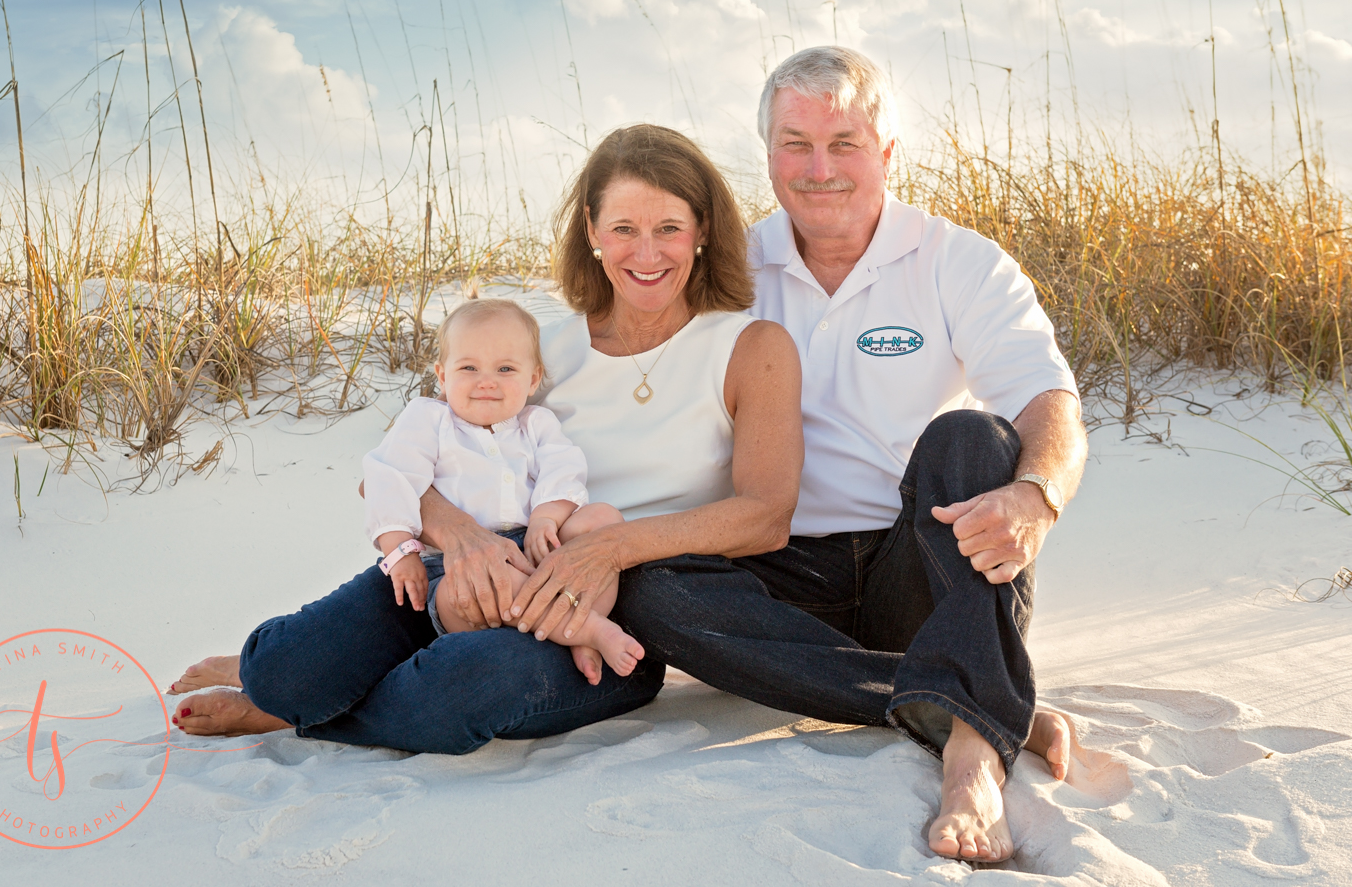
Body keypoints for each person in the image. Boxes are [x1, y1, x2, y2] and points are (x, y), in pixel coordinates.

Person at [529, 46, 1078, 864]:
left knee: (976, 440)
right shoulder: (725, 272)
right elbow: (612, 359)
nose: (819, 169)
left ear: (887, 153)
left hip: (919, 561)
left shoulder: (956, 260)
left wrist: (1038, 493)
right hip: (769, 573)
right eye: (796, 144)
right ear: (769, 156)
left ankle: (971, 749)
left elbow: (1049, 399)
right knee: (649, 580)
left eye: (844, 143)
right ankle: (973, 696)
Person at [167, 124, 803, 757]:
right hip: (472, 566)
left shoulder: (749, 346)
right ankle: (286, 689)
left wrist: (607, 551)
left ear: (704, 229)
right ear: (591, 231)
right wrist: (462, 538)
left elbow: (766, 516)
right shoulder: (534, 351)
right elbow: (389, 472)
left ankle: (287, 717)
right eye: (623, 229)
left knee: (460, 686)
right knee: (283, 669)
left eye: (669, 227)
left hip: (610, 619)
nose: (647, 253)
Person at [363, 298, 643, 680]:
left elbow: (564, 468)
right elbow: (389, 476)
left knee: (604, 518)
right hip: (456, 571)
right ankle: (590, 630)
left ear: (532, 379)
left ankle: (574, 626)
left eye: (505, 368)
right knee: (490, 579)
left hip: (533, 549)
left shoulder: (536, 423)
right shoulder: (429, 419)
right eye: (469, 367)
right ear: (442, 376)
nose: (487, 381)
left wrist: (547, 517)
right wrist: (400, 550)